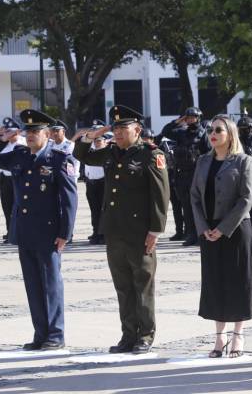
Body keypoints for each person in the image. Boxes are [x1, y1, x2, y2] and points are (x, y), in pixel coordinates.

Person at [73, 105, 170, 354]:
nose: (116, 132)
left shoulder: (150, 154)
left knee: (143, 285)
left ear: (137, 129)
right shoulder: (111, 152)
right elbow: (82, 155)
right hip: (114, 230)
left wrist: (155, 231)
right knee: (123, 286)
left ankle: (145, 335)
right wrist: (92, 136)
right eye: (114, 128)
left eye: (122, 127)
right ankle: (128, 335)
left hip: (140, 232)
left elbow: (161, 195)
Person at [0, 109, 78, 350]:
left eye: (36, 131)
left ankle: (55, 334)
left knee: (51, 284)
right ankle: (40, 333)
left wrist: (65, 233)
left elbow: (69, 200)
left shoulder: (58, 159)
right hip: (24, 231)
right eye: (28, 131)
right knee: (33, 285)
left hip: (48, 232)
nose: (31, 135)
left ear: (47, 134)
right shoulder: (19, 155)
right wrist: (2, 138)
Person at [190, 115, 252, 358]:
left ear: (230, 134)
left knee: (238, 281)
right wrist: (203, 227)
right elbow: (194, 196)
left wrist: (223, 227)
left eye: (218, 130)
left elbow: (246, 199)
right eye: (210, 130)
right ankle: (219, 337)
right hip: (208, 230)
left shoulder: (243, 161)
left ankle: (238, 334)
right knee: (214, 282)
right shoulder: (203, 161)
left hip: (236, 230)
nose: (213, 134)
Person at [162, 107, 211, 246]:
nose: (190, 119)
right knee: (186, 207)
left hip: (196, 174)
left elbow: (208, 155)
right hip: (181, 175)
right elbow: (166, 131)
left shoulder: (203, 134)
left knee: (198, 206)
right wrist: (178, 121)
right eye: (187, 117)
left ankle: (201, 234)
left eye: (192, 117)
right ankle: (191, 235)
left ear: (198, 118)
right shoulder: (181, 133)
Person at [0, 118, 26, 244]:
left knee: (18, 207)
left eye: (12, 132)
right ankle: (10, 232)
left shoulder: (23, 143)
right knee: (6, 207)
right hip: (3, 179)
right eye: (7, 131)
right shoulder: (2, 143)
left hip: (18, 179)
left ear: (18, 132)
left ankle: (19, 232)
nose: (9, 134)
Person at [73, 120, 109, 245]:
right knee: (94, 209)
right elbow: (77, 150)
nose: (96, 141)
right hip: (91, 182)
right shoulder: (88, 146)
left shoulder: (107, 147)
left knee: (104, 209)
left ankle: (104, 233)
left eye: (99, 139)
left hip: (103, 182)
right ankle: (96, 232)